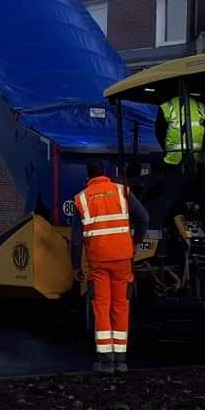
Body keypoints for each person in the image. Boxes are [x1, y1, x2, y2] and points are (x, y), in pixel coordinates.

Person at [72, 159, 149, 374]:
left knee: (101, 307)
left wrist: (75, 267)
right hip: (123, 259)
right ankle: (121, 360)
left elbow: (77, 240)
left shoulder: (82, 199)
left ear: (88, 176)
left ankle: (105, 361)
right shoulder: (122, 191)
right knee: (121, 306)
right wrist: (133, 244)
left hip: (98, 262)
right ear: (106, 173)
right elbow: (144, 218)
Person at [156, 96, 205, 166]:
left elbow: (159, 132)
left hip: (173, 159)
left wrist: (166, 150)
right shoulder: (199, 105)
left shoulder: (166, 106)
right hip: (197, 160)